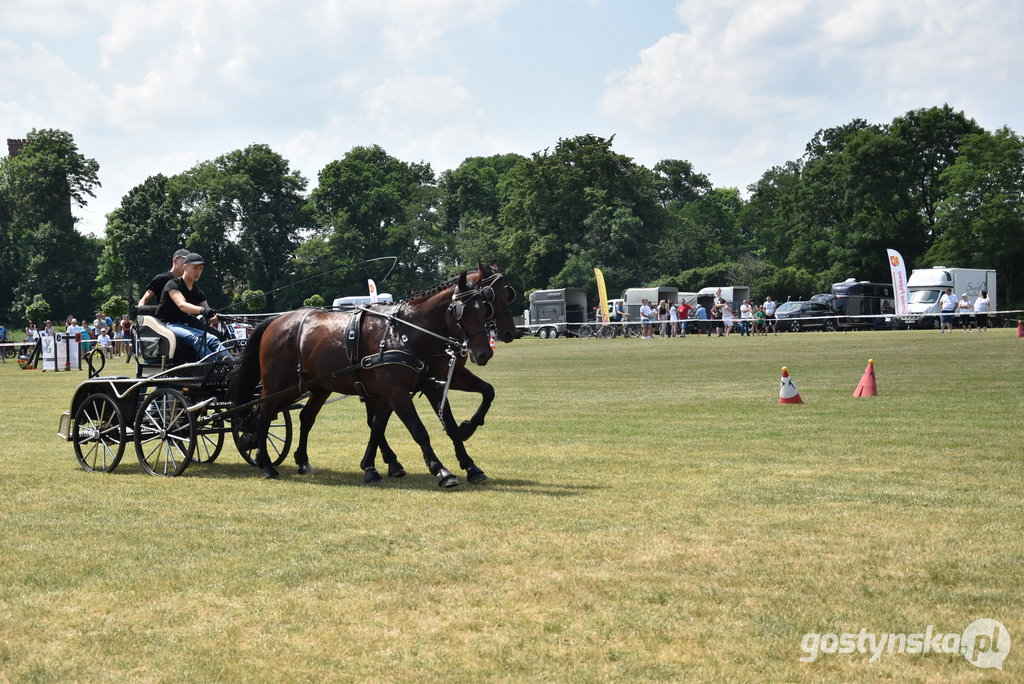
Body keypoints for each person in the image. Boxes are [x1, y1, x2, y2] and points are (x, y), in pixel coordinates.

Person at [156, 252, 233, 361]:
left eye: (201, 269)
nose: (198, 272)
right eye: (195, 268)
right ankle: (215, 369)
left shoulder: (198, 292)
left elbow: (210, 317)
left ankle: (232, 367)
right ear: (185, 267)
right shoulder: (173, 284)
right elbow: (182, 305)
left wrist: (218, 317)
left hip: (184, 326)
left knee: (213, 339)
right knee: (198, 339)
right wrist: (203, 311)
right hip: (166, 325)